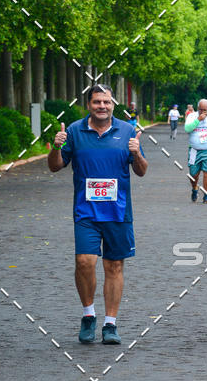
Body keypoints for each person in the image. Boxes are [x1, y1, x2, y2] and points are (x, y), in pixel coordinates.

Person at [47, 83, 148, 346]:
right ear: (88, 104)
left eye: (106, 102)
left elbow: (141, 171)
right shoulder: (74, 131)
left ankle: (110, 323)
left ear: (113, 104)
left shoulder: (127, 131)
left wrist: (136, 153)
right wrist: (56, 147)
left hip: (118, 212)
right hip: (86, 211)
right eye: (96, 102)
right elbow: (56, 166)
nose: (102, 106)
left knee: (114, 266)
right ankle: (89, 315)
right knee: (84, 261)